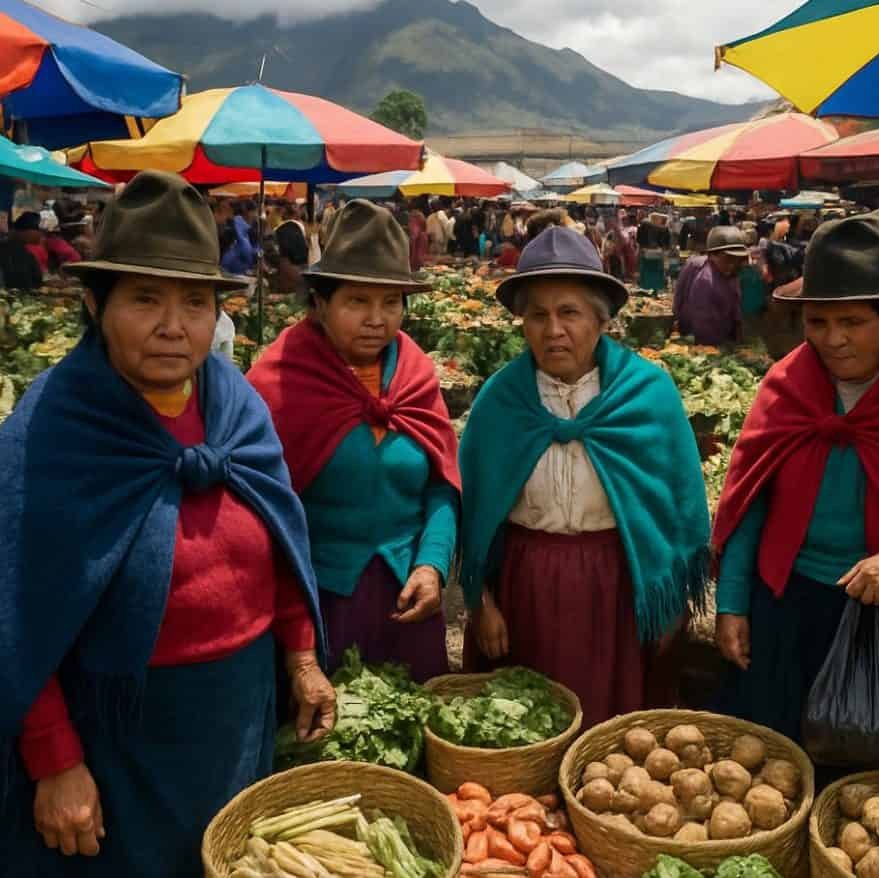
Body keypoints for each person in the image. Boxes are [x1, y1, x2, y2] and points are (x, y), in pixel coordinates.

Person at [0, 171, 335, 877]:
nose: (173, 325)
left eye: (195, 301)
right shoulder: (55, 429)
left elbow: (277, 539)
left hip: (238, 714)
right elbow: (16, 608)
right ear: (95, 304)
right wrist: (55, 757)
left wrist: (301, 658)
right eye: (145, 298)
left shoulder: (235, 405)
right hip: (119, 735)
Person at [712, 208, 879, 763]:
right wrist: (733, 602)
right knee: (783, 768)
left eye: (853, 323)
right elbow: (751, 501)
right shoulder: (788, 384)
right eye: (817, 323)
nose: (832, 341)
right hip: (791, 611)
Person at [459, 227, 710, 726]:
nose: (553, 329)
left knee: (613, 729)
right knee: (526, 723)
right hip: (525, 585)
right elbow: (474, 511)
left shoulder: (647, 395)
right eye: (538, 314)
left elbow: (680, 505)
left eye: (569, 312)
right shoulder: (499, 402)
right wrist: (480, 603)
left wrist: (670, 601)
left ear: (601, 320)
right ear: (522, 324)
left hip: (617, 586)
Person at [249, 199, 461, 682]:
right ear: (320, 302)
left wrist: (432, 565)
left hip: (410, 602)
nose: (377, 319)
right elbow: (262, 515)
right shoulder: (278, 381)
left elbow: (442, 484)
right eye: (357, 301)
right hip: (316, 607)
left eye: (391, 302)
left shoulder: (415, 374)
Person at [673, 226, 749, 346]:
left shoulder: (731, 275)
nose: (732, 265)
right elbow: (703, 325)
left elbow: (736, 306)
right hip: (703, 341)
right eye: (727, 260)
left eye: (736, 260)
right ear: (712, 255)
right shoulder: (706, 280)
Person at [637, 212, 669, 291]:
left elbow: (639, 240)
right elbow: (666, 245)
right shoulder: (664, 229)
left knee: (648, 273)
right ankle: (655, 290)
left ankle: (647, 289)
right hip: (657, 255)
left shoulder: (644, 225)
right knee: (656, 273)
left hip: (647, 254)